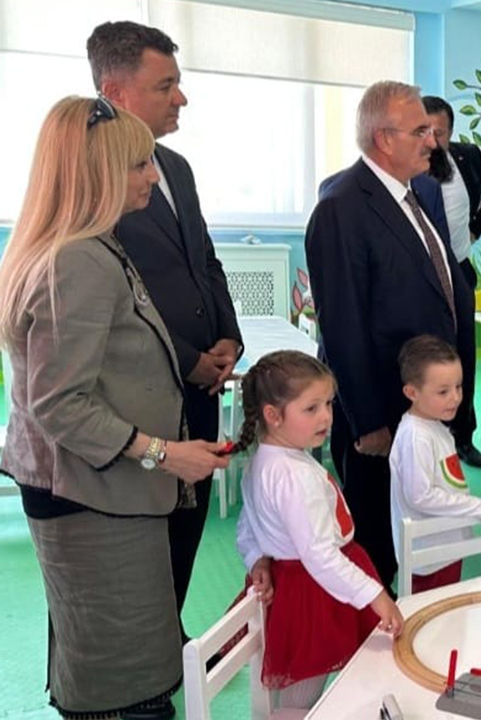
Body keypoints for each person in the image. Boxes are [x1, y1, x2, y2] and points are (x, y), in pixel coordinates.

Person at [0, 96, 228, 720]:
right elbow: (60, 403)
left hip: (101, 489)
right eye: (138, 165)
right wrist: (164, 454)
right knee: (123, 679)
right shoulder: (76, 261)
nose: (153, 175)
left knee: (119, 656)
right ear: (96, 173)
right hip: (90, 497)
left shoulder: (87, 246)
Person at [88, 20, 242, 631]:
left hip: (201, 388)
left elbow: (204, 259)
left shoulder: (174, 166)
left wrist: (227, 338)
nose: (181, 97)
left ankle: (168, 637)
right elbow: (114, 301)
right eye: (165, 85)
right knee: (131, 554)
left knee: (186, 530)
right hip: (137, 402)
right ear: (115, 92)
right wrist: (187, 359)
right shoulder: (92, 173)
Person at [305, 80, 476, 590]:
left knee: (417, 541)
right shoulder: (342, 207)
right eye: (420, 131)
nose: (433, 141)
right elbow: (342, 327)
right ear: (384, 138)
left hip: (417, 409)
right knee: (379, 551)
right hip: (380, 418)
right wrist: (368, 423)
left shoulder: (411, 194)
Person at [232, 351, 402, 710]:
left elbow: (248, 526)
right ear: (273, 415)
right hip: (311, 593)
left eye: (328, 404)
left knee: (300, 689)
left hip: (302, 583)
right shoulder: (295, 476)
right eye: (311, 408)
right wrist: (376, 595)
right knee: (301, 695)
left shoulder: (264, 461)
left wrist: (256, 558)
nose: (326, 416)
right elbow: (319, 554)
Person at [416, 95, 481, 469]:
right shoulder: (410, 167)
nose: (433, 140)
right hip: (423, 277)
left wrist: (476, 229)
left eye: (441, 132)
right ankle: (424, 436)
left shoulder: (467, 157)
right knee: (427, 356)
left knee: (463, 356)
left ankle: (463, 436)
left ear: (451, 132)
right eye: (426, 131)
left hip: (460, 270)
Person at [389, 335, 481, 592]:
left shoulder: (434, 425)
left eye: (458, 387)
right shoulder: (416, 437)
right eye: (443, 391)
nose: (455, 398)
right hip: (429, 555)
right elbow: (420, 496)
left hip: (446, 546)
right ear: (412, 393)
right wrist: (478, 508)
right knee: (433, 612)